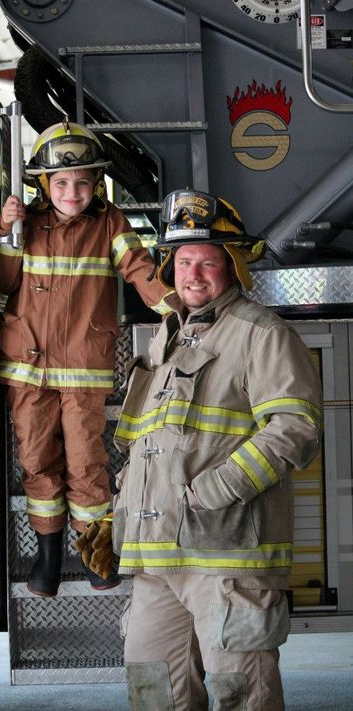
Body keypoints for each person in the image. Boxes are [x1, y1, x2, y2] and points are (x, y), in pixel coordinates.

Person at [110, 189, 323, 710]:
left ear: (234, 269)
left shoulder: (260, 333)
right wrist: (121, 505)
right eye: (183, 262)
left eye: (209, 262)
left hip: (227, 557)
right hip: (157, 557)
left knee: (240, 695)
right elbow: (150, 441)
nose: (194, 275)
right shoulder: (167, 337)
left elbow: (295, 427)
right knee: (153, 690)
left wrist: (210, 492)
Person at [0, 119, 176, 598]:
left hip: (82, 370)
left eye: (82, 182)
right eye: (61, 183)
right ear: (43, 184)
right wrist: (5, 228)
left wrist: (175, 309)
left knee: (87, 463)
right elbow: (2, 282)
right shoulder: (26, 222)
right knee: (36, 462)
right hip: (26, 368)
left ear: (97, 183)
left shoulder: (110, 223)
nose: (72, 191)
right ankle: (48, 558)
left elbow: (139, 268)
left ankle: (94, 553)